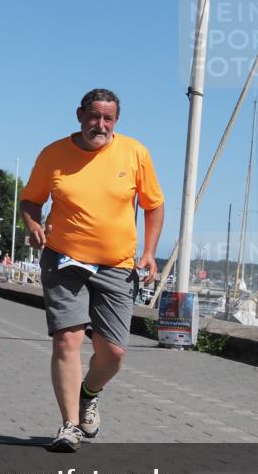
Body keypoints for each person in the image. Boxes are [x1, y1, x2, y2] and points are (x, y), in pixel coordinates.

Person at [20, 88, 164, 452]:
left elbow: (154, 206)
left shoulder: (134, 153)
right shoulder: (53, 154)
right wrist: (32, 225)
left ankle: (90, 392)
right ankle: (69, 426)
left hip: (117, 265)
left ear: (116, 121)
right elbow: (31, 200)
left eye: (108, 118)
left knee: (113, 352)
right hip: (64, 258)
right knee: (67, 339)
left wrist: (148, 252)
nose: (100, 124)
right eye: (94, 116)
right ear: (80, 114)